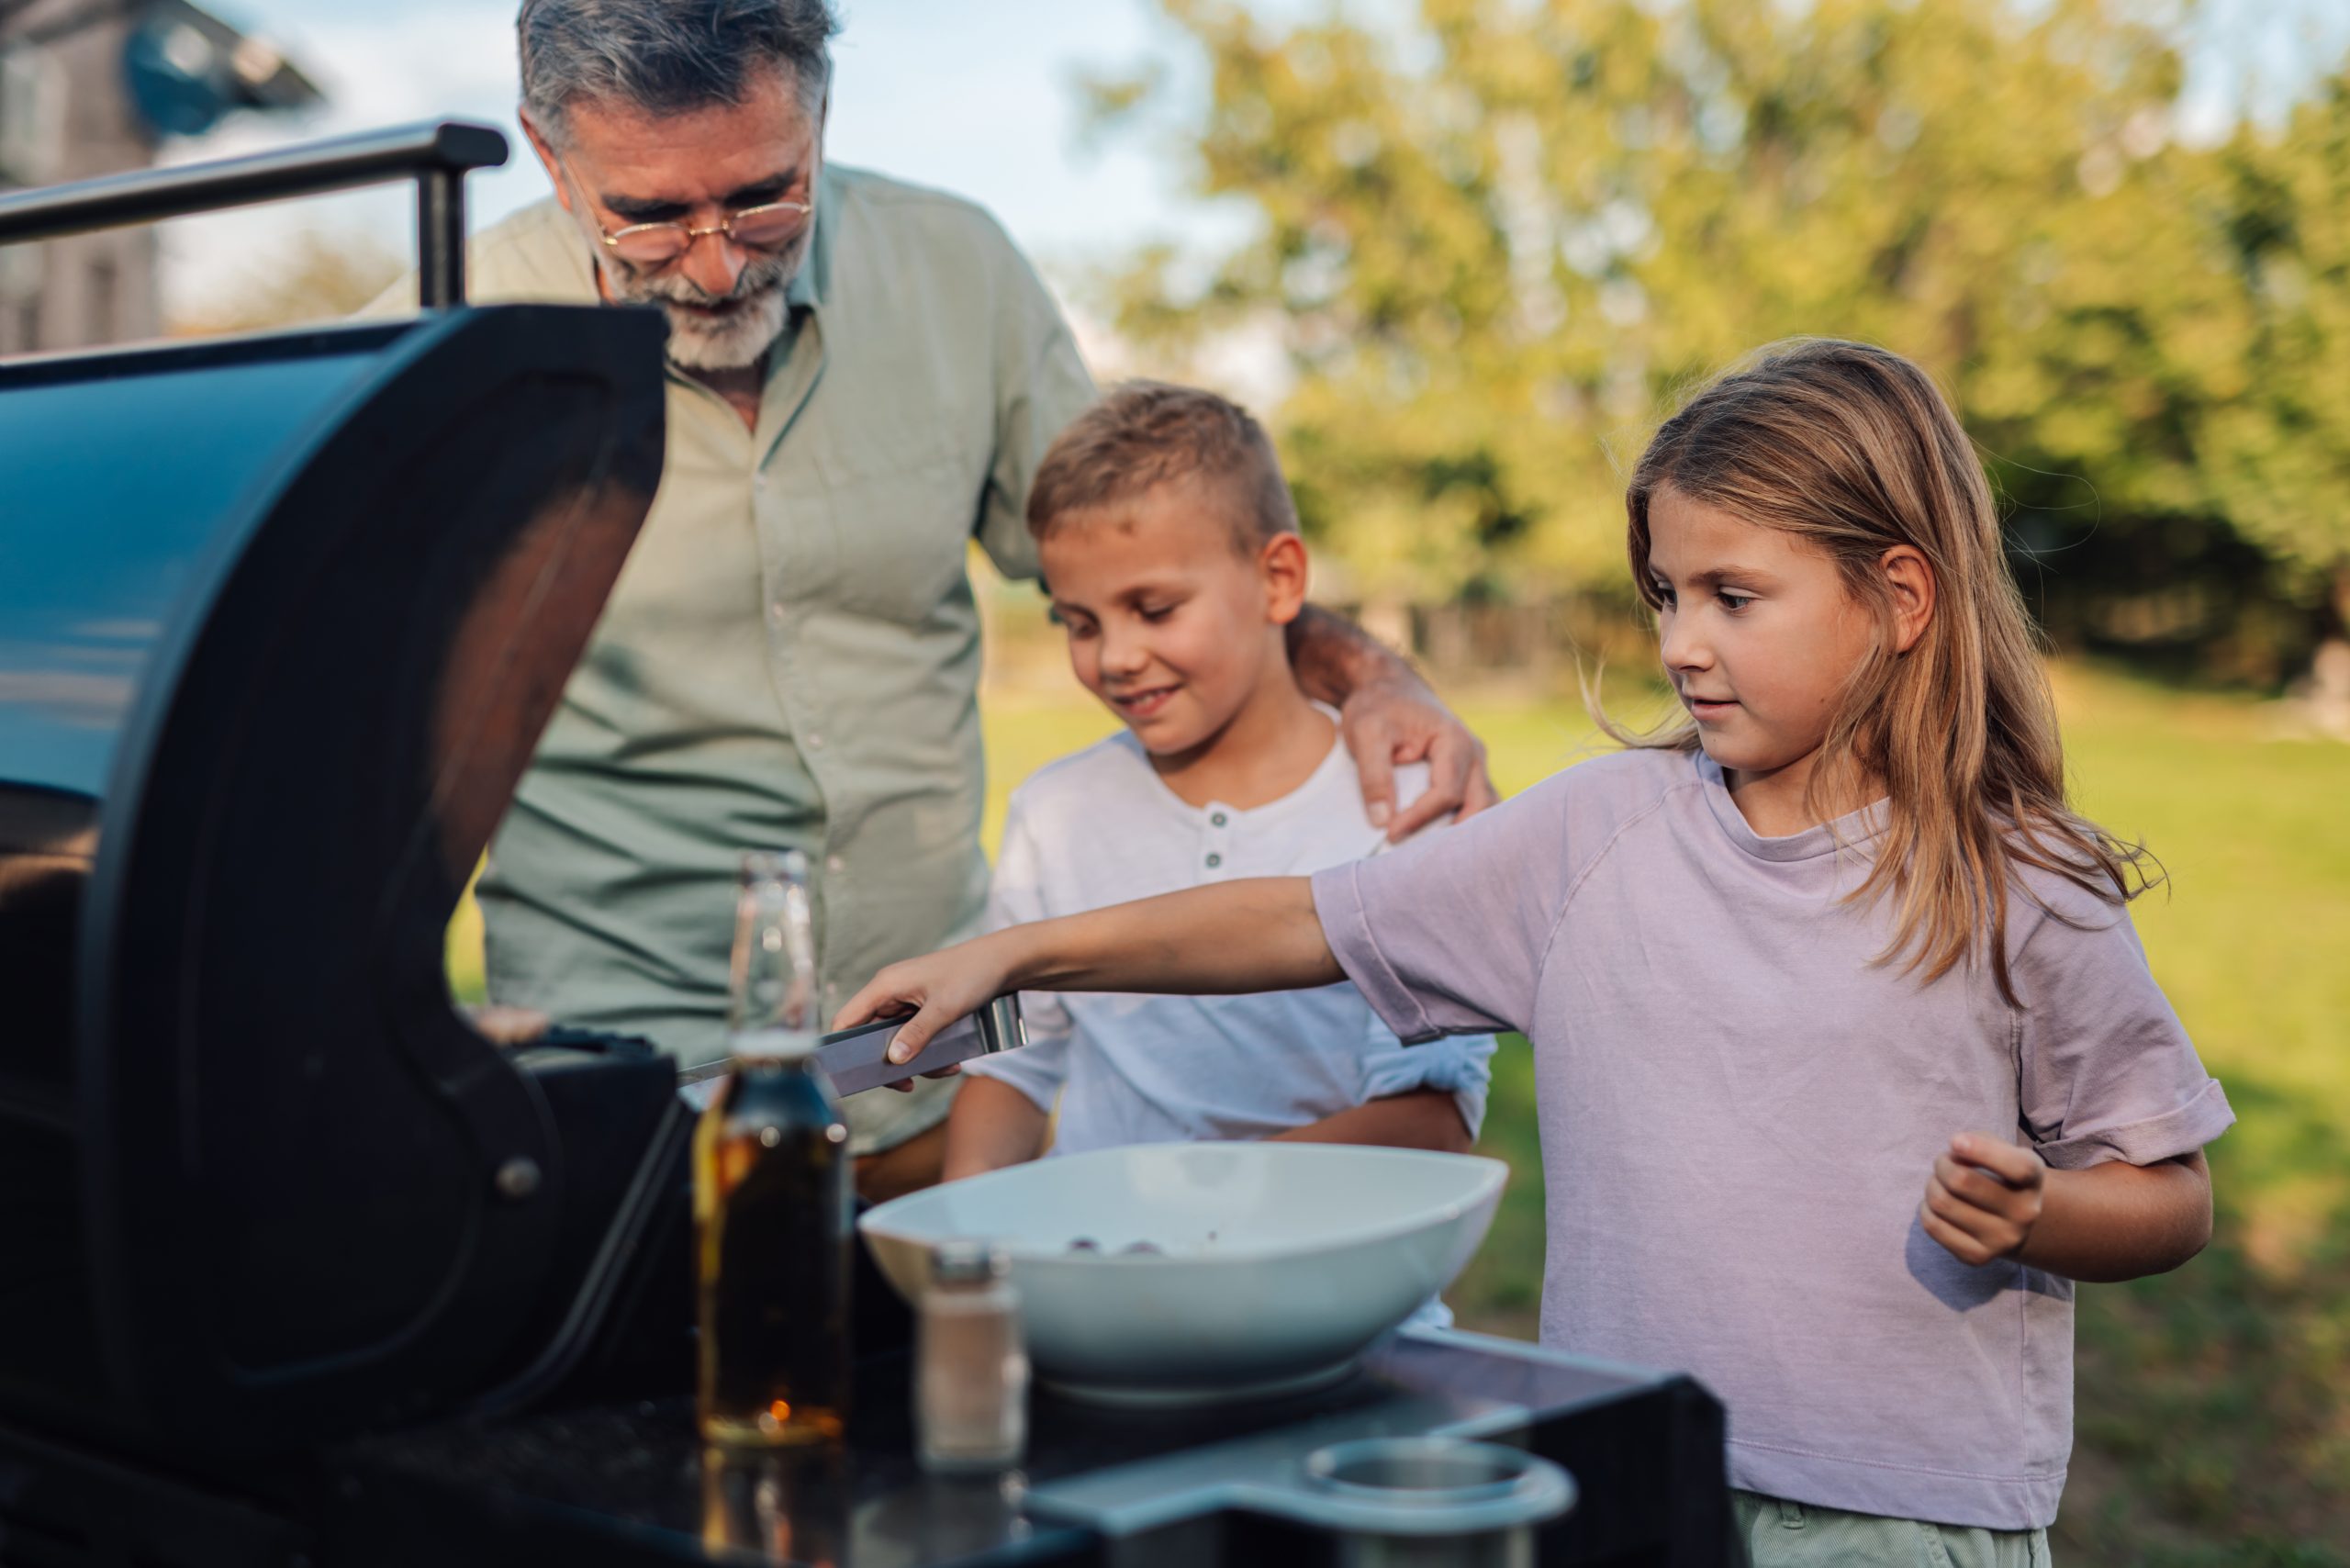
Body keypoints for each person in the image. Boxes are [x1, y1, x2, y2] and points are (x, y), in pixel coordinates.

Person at [838, 340, 2234, 1562]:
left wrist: (2041, 1215)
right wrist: (1018, 956)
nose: (1681, 644)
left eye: (1732, 596)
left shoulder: (2024, 884)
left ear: (1901, 598)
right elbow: (1298, 918)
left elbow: (2169, 1194)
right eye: (1665, 595)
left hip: (1898, 1515)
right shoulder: (1593, 835)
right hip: (1615, 1465)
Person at [373, 0, 1498, 1199]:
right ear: (552, 161)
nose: (715, 265)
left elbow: (1159, 551)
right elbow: (335, 739)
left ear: (819, 118)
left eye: (764, 197)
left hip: (934, 1072)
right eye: (648, 217)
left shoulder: (957, 270)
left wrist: (1374, 680)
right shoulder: (436, 344)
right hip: (633, 1092)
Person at [941, 382, 1497, 1187]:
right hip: (1095, 1259)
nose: (1116, 657)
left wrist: (1180, 1211)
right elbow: (1015, 1074)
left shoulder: (1412, 803)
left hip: (1320, 1264)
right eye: (1081, 624)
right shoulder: (1053, 812)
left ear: (1279, 579)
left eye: (1155, 609)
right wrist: (966, 1223)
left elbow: (1431, 1119)